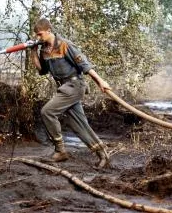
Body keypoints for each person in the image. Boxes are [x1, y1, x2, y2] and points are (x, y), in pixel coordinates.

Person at [29, 18, 111, 168]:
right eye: (36, 36)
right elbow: (42, 71)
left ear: (48, 31)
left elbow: (84, 65)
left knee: (47, 112)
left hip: (74, 85)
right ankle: (103, 154)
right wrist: (34, 52)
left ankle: (60, 151)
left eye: (40, 35)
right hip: (64, 88)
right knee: (77, 123)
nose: (38, 38)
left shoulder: (64, 45)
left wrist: (101, 82)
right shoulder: (44, 50)